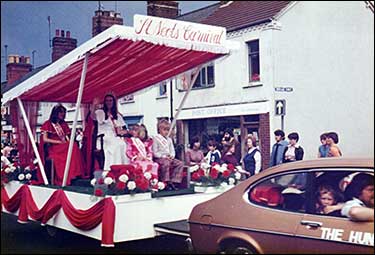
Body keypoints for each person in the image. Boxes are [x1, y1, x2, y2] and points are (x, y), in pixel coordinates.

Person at [39, 104, 83, 186]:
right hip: (54, 147)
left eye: (64, 112)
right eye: (61, 112)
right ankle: (65, 176)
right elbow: (45, 139)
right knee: (71, 147)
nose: (63, 114)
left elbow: (67, 137)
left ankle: (73, 173)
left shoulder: (64, 124)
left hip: (63, 146)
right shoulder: (47, 123)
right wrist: (58, 142)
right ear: (55, 113)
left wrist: (68, 143)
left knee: (74, 146)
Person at [95, 93, 129, 171]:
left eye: (110, 100)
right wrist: (94, 105)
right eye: (107, 101)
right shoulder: (100, 112)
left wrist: (128, 132)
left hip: (115, 137)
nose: (108, 102)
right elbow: (93, 117)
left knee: (123, 144)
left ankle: (122, 168)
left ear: (113, 102)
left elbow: (121, 128)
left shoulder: (117, 115)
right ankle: (111, 168)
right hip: (104, 137)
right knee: (116, 145)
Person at [152, 119, 184, 191]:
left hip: (169, 158)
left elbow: (172, 150)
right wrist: (164, 156)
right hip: (159, 158)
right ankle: (165, 182)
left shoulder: (169, 140)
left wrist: (172, 156)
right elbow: (155, 152)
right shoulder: (156, 139)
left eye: (167, 130)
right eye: (164, 130)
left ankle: (174, 181)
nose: (166, 132)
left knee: (180, 163)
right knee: (166, 163)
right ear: (159, 130)